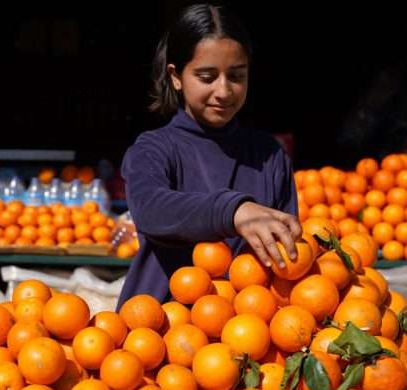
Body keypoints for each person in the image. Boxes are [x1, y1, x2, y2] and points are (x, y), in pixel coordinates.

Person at [117, 3, 301, 307]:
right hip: (156, 326)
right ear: (176, 76)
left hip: (247, 327)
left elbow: (287, 257)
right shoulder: (153, 149)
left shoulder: (269, 156)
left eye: (236, 76)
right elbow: (151, 209)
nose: (224, 91)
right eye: (206, 77)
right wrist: (233, 212)